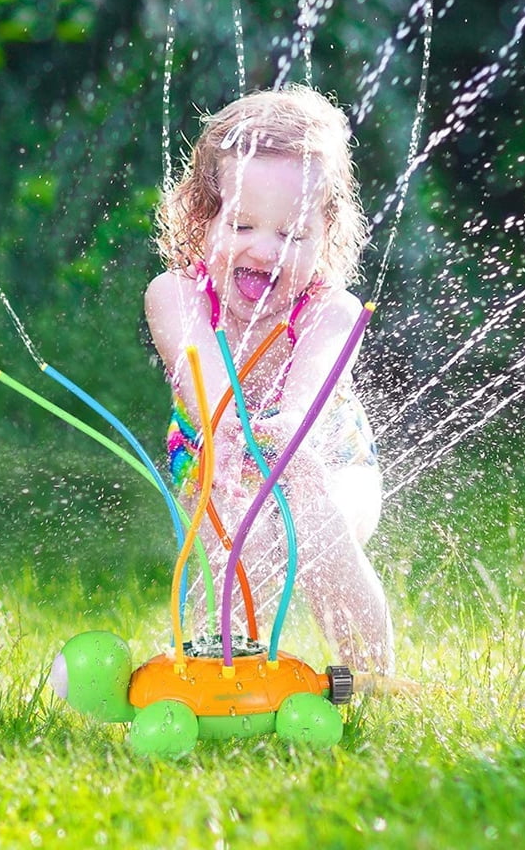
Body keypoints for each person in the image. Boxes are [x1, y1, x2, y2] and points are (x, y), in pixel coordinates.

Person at [145, 84, 394, 675]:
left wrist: (290, 438)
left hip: (330, 462)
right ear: (201, 219)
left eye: (292, 235)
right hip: (215, 464)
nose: (267, 250)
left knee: (317, 524)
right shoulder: (177, 296)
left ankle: (372, 677)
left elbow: (309, 395)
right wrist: (227, 428)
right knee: (235, 552)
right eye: (244, 225)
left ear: (325, 238)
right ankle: (219, 674)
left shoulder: (329, 310)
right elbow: (200, 371)